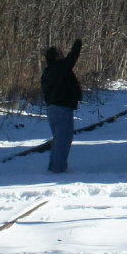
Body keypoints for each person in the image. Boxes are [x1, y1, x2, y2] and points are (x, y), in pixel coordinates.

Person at [41, 39, 83, 173]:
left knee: (58, 138)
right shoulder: (60, 68)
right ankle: (58, 169)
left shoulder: (47, 72)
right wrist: (78, 42)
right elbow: (72, 58)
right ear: (56, 57)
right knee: (64, 139)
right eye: (59, 53)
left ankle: (53, 166)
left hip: (51, 109)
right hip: (62, 108)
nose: (62, 55)